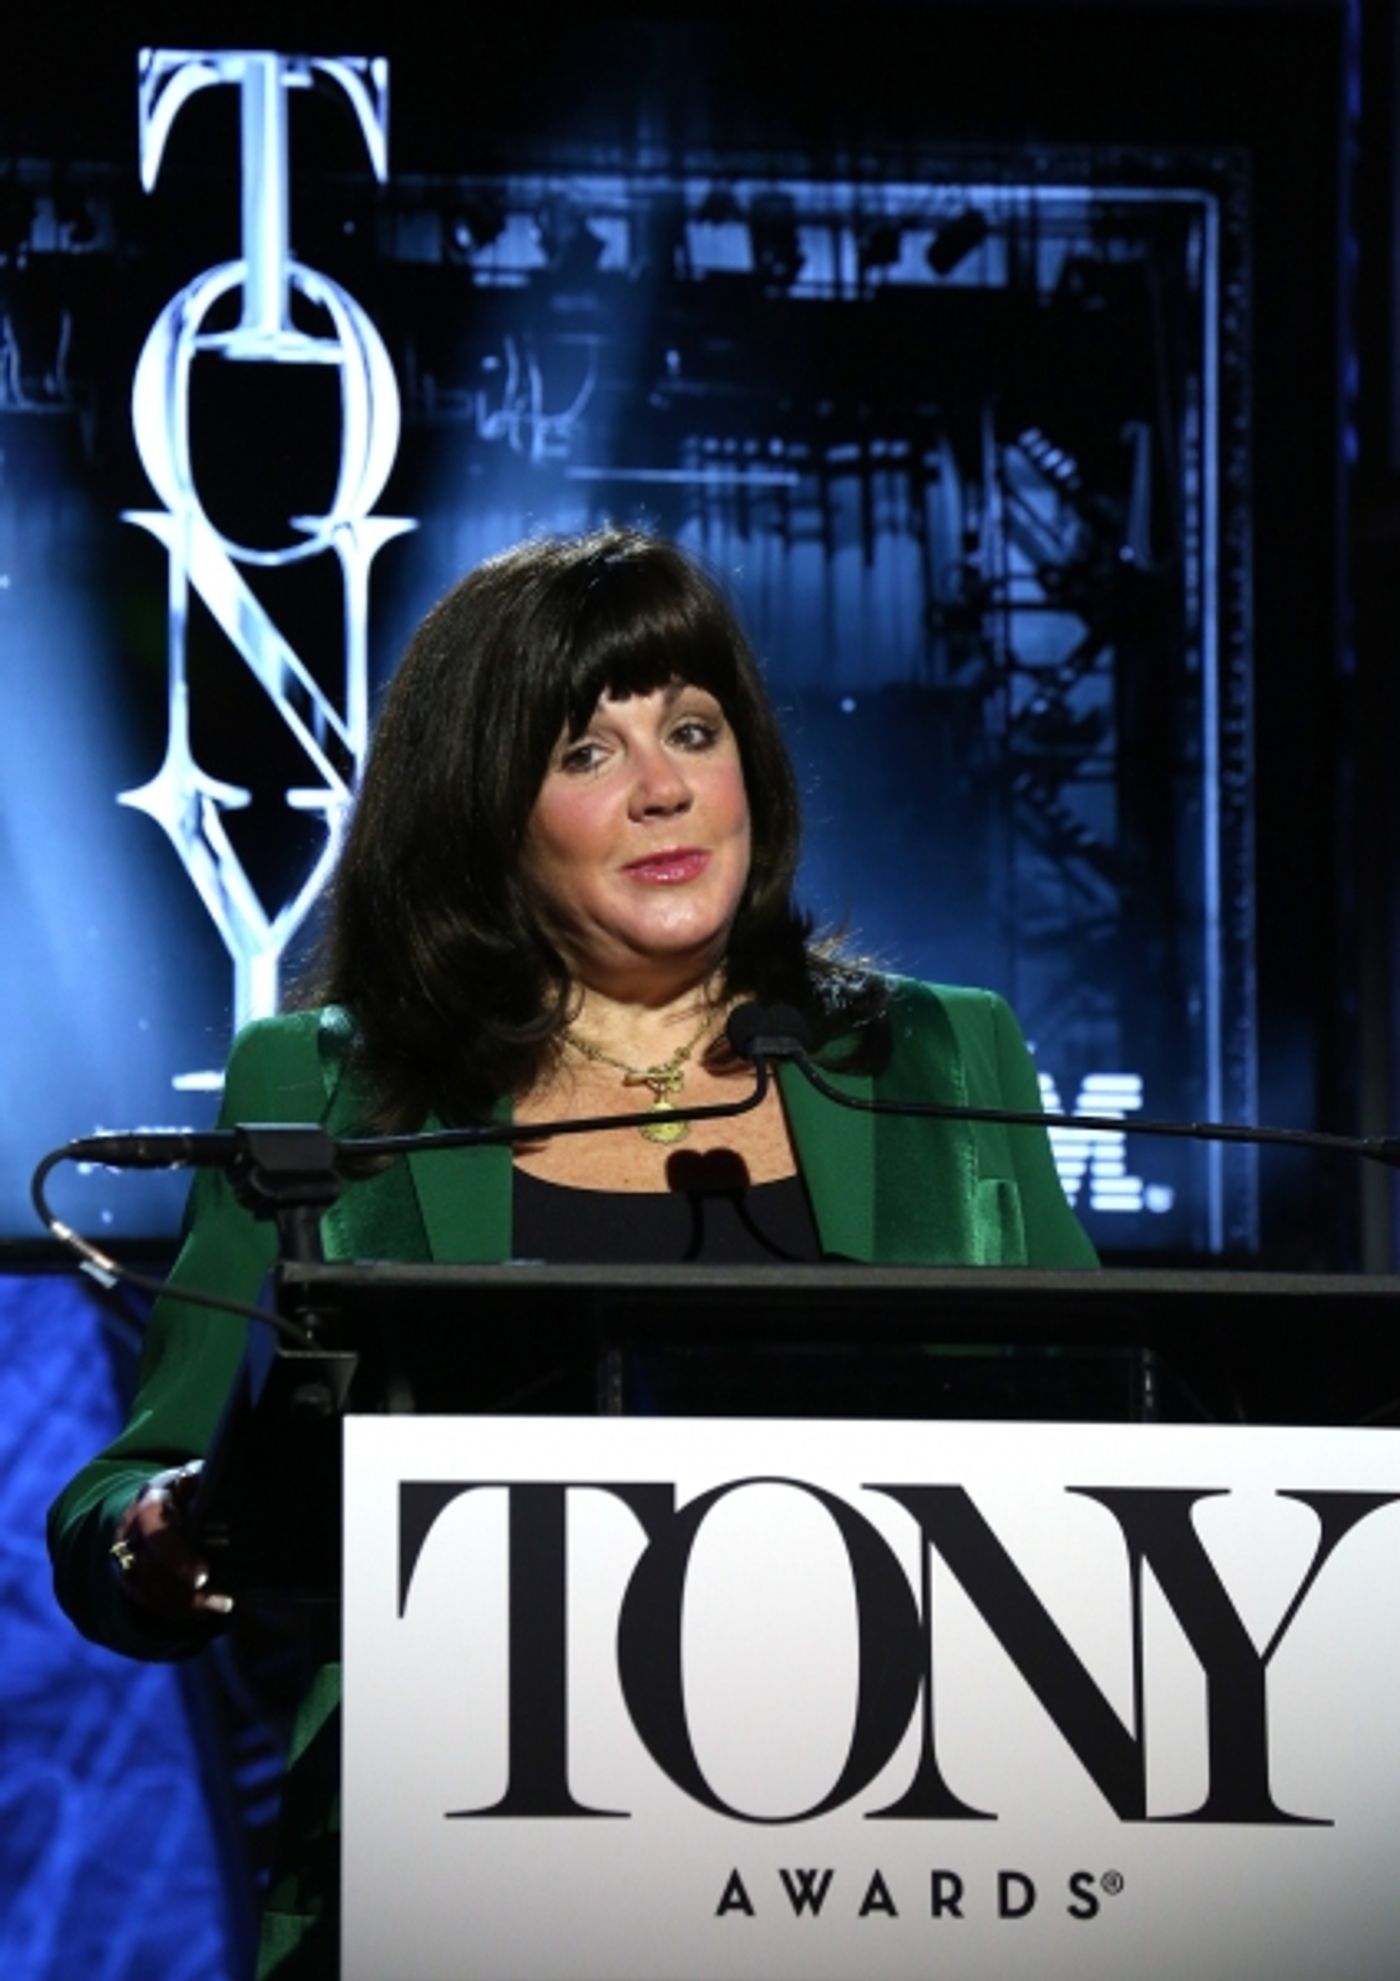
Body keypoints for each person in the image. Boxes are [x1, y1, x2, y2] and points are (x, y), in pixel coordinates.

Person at [49, 526, 1095, 1976]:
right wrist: (158, 1537)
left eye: (691, 727)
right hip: (468, 1876)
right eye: (584, 752)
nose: (663, 786)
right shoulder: (327, 1090)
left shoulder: (936, 1053)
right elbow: (124, 1489)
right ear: (484, 810)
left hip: (909, 1866)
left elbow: (1125, 1458)